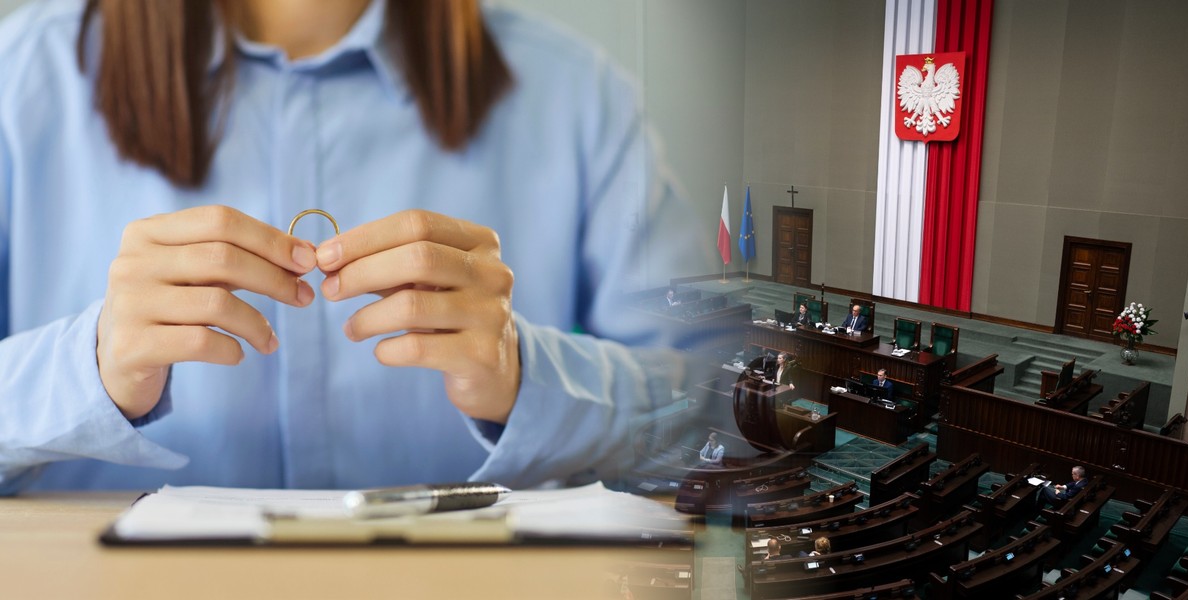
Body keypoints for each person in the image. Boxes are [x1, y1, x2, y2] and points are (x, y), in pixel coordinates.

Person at [0, 0, 705, 494]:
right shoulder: (20, 79)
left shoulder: (578, 97)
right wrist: (82, 369)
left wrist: (532, 381)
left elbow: (717, 410)